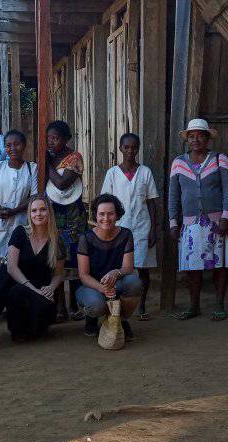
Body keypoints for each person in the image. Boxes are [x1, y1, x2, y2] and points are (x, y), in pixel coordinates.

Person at [167, 118, 228, 321]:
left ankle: (219, 305)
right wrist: (173, 222)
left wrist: (225, 217)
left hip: (217, 222)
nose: (195, 139)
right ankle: (194, 306)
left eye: (200, 136)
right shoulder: (179, 163)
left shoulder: (219, 159)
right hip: (190, 225)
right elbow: (173, 195)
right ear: (187, 140)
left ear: (207, 138)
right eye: (191, 136)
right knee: (193, 267)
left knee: (219, 265)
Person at [0, 195, 66, 341]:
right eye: (34, 210)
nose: (38, 214)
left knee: (38, 328)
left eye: (43, 210)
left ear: (49, 212)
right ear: (29, 214)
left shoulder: (57, 240)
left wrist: (51, 287)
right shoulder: (20, 232)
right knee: (17, 291)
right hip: (19, 285)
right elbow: (11, 267)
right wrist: (32, 288)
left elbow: (59, 274)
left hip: (42, 289)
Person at [100, 133, 160, 320]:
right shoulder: (112, 173)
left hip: (142, 226)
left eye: (134, 147)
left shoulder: (145, 172)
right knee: (117, 268)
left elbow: (152, 202)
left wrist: (153, 229)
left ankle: (141, 306)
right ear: (120, 148)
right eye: (126, 147)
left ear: (138, 149)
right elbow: (105, 201)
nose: (130, 150)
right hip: (119, 228)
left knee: (142, 267)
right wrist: (106, 228)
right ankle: (117, 304)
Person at [76, 194, 142, 342]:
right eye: (102, 214)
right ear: (95, 215)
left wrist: (116, 272)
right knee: (96, 305)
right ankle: (91, 318)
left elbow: (128, 267)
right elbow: (84, 275)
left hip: (116, 283)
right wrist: (102, 288)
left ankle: (120, 319)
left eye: (110, 213)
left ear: (117, 215)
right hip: (90, 286)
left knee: (134, 283)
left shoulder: (126, 234)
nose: (106, 218)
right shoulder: (85, 238)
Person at [0, 129, 38, 281]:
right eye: (8, 145)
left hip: (18, 223)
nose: (13, 148)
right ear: (5, 147)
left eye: (17, 144)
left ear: (24, 145)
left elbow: (34, 197)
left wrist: (14, 211)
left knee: (14, 267)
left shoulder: (32, 168)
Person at [44, 120, 88, 321]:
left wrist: (46, 164)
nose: (51, 142)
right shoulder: (49, 157)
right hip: (54, 214)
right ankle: (60, 306)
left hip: (73, 215)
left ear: (66, 139)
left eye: (56, 138)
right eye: (49, 138)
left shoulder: (74, 158)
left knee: (76, 258)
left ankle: (75, 305)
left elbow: (61, 183)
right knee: (57, 259)